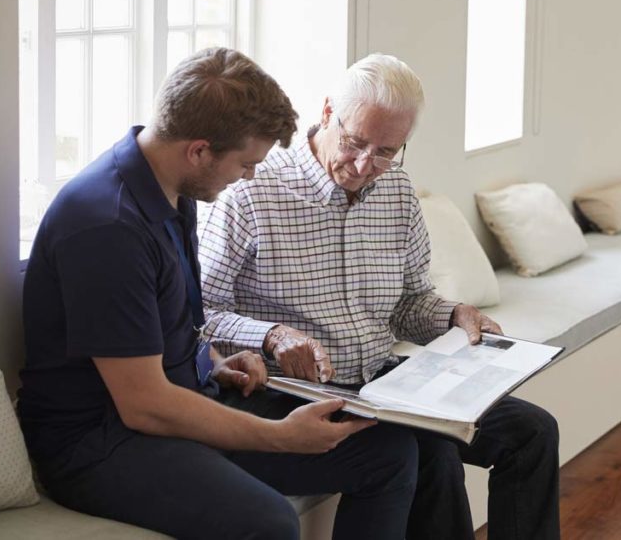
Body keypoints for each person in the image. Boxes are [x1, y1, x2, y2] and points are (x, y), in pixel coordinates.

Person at [17, 48, 418, 540]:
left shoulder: (173, 190)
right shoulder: (107, 225)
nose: (249, 176)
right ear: (199, 150)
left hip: (173, 400)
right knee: (267, 522)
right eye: (246, 163)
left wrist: (212, 361)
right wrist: (280, 437)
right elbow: (143, 405)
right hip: (99, 442)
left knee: (387, 455)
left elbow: (173, 322)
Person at [198, 53, 560, 540]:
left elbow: (410, 302)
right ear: (327, 113)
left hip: (385, 383)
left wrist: (453, 314)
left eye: (388, 151)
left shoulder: (397, 192)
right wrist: (271, 335)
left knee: (532, 433)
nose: (367, 165)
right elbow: (199, 313)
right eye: (354, 143)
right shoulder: (250, 193)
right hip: (292, 394)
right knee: (433, 455)